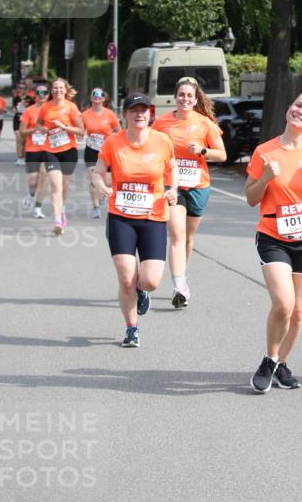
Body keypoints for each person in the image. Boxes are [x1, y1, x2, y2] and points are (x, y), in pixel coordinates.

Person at [245, 91, 302, 393]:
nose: (301, 111)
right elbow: (251, 198)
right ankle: (269, 359)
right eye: (297, 104)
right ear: (289, 109)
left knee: (298, 310)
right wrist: (265, 179)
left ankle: (281, 363)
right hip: (273, 236)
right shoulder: (265, 151)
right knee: (284, 304)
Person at [91, 93, 178, 348]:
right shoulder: (112, 142)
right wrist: (100, 186)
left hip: (153, 216)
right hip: (121, 217)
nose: (139, 114)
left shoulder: (162, 141)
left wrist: (174, 189)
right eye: (133, 110)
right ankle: (131, 328)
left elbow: (173, 169)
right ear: (125, 115)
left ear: (149, 114)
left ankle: (143, 291)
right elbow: (98, 173)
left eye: (143, 110)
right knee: (126, 276)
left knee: (150, 280)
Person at [152, 76, 226, 307]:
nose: (185, 99)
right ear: (175, 98)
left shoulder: (205, 124)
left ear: (195, 100)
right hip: (171, 186)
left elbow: (222, 155)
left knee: (188, 238)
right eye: (181, 95)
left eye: (189, 96)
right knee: (176, 233)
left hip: (198, 186)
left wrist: (203, 150)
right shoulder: (161, 124)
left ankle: (181, 276)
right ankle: (179, 286)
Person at [36, 77, 85, 235]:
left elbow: (81, 131)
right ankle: (57, 220)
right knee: (56, 185)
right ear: (52, 90)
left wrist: (64, 127)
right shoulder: (46, 107)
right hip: (50, 150)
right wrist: (42, 129)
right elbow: (38, 123)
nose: (58, 90)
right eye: (55, 88)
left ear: (65, 90)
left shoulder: (71, 107)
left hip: (69, 150)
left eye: (60, 88)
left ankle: (62, 210)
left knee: (64, 185)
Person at [81, 88, 120, 218]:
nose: (97, 97)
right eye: (94, 94)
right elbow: (80, 131)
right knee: (94, 179)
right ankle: (96, 207)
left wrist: (112, 140)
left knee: (107, 181)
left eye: (100, 95)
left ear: (104, 98)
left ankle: (102, 192)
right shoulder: (85, 115)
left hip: (107, 150)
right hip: (91, 150)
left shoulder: (110, 114)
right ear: (91, 98)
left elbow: (119, 131)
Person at [18, 83, 50, 218]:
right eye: (39, 93)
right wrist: (34, 130)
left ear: (48, 95)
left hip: (48, 149)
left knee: (43, 178)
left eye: (44, 92)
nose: (41, 95)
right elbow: (21, 132)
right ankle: (31, 194)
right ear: (35, 95)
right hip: (32, 149)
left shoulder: (53, 110)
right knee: (33, 181)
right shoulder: (29, 111)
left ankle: (38, 208)